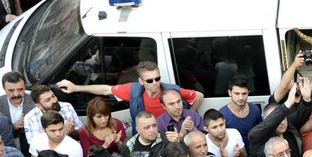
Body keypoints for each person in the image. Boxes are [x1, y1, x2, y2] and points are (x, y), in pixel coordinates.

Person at [57, 61, 203, 129]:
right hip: (143, 133)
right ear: (141, 81)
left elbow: (198, 96)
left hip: (169, 132)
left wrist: (188, 115)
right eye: (150, 80)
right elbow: (106, 89)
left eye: (157, 78)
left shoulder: (171, 90)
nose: (155, 83)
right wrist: (75, 88)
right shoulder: (133, 90)